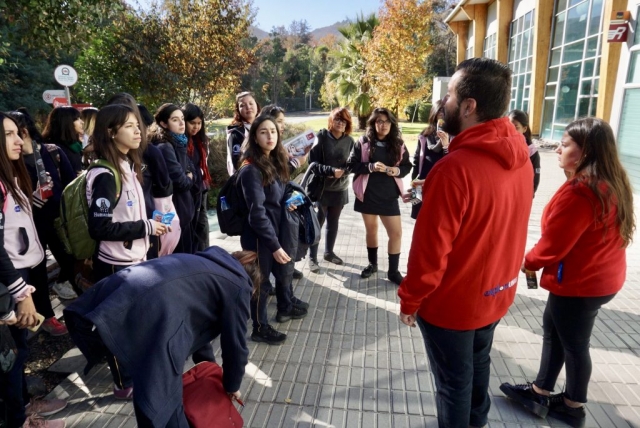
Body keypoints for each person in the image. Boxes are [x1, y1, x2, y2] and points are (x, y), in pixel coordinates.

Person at [397, 58, 534, 428]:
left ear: (469, 106)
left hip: (453, 305)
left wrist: (410, 299)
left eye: (450, 95)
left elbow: (429, 254)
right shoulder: (522, 159)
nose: (443, 103)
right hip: (497, 295)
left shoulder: (453, 170)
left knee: (453, 386)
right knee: (477, 369)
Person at [499, 118, 635, 428]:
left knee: (573, 343)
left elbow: (553, 246)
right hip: (598, 278)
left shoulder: (582, 192)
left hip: (581, 283)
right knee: (556, 330)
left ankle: (573, 405)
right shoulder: (608, 180)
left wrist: (528, 262)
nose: (558, 148)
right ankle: (541, 390)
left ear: (585, 151)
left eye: (565, 143)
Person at [64, 247, 259, 428]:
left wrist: (208, 369)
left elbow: (197, 322)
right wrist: (232, 385)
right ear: (253, 285)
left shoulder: (209, 263)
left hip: (120, 294)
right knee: (163, 397)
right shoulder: (240, 285)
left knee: (147, 381)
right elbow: (236, 345)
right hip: (156, 316)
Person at [0, 113, 67, 428]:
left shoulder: (11, 175)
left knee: (19, 348)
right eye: (10, 135)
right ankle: (19, 418)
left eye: (19, 133)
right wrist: (18, 290)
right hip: (12, 278)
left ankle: (25, 405)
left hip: (23, 270)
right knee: (12, 353)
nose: (19, 140)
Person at [237, 115, 307, 345]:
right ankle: (260, 327)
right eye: (264, 132)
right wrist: (274, 246)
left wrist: (291, 200)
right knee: (261, 283)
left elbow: (278, 195)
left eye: (273, 132)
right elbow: (256, 214)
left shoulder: (272, 161)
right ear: (255, 138)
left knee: (272, 278)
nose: (270, 136)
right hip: (259, 237)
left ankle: (275, 313)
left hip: (274, 231)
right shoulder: (251, 170)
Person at [8, 109, 76, 334]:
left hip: (59, 222)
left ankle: (88, 309)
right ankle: (46, 317)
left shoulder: (52, 152)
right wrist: (32, 201)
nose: (16, 140)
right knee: (37, 273)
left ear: (25, 131)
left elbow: (71, 186)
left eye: (16, 133)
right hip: (30, 229)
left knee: (71, 264)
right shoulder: (10, 162)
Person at [104, 94, 174, 259]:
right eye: (127, 124)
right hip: (116, 247)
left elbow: (164, 191)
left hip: (148, 228)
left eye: (134, 123)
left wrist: (161, 222)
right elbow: (100, 225)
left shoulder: (150, 152)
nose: (135, 130)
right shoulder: (103, 165)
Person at [347, 107, 411, 285]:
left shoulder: (398, 144)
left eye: (386, 121)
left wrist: (393, 170)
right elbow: (352, 165)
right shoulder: (364, 142)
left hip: (389, 196)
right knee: (372, 230)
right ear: (374, 123)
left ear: (392, 123)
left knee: (396, 233)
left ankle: (393, 272)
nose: (383, 125)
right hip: (367, 194)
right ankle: (372, 264)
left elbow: (407, 166)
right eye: (379, 121)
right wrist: (370, 167)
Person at [307, 107, 355, 272]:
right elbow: (312, 164)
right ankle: (312, 258)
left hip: (340, 189)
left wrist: (344, 171)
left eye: (344, 120)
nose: (340, 123)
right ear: (331, 120)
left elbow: (352, 164)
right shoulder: (320, 137)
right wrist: (330, 171)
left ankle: (329, 253)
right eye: (337, 119)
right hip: (321, 189)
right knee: (317, 224)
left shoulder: (349, 141)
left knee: (333, 223)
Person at [151, 103, 195, 254]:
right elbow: (181, 182)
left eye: (182, 119)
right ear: (164, 123)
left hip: (183, 209)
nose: (182, 123)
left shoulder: (179, 142)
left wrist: (189, 176)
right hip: (175, 211)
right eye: (175, 120)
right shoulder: (165, 147)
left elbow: (191, 170)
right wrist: (190, 178)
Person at [407, 101, 447, 219]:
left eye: (445, 110)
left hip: (441, 183)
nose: (442, 113)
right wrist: (413, 184)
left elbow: (452, 161)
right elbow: (416, 161)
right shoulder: (425, 134)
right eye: (439, 110)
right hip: (421, 180)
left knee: (436, 218)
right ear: (434, 112)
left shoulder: (453, 134)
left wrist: (446, 146)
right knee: (418, 217)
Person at [183, 103, 212, 252]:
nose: (196, 127)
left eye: (199, 123)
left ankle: (204, 254)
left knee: (202, 224)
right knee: (192, 225)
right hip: (188, 189)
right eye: (192, 123)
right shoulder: (182, 142)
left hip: (201, 188)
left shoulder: (201, 140)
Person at [41, 106, 85, 175]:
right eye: (77, 119)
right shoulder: (52, 147)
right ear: (66, 122)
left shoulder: (74, 144)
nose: (82, 122)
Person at [226, 91, 260, 175]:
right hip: (246, 178)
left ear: (257, 105)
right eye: (242, 105)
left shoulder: (263, 126)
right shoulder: (236, 132)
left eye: (251, 103)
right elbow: (237, 162)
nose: (248, 107)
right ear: (238, 110)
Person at [508, 109, 541, 196]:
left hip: (521, 194)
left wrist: (530, 194)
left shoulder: (531, 151)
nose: (512, 130)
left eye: (516, 127)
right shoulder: (501, 146)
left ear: (524, 128)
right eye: (509, 126)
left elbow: (535, 177)